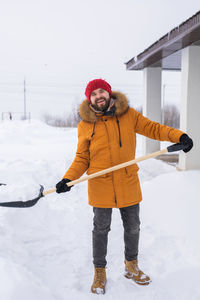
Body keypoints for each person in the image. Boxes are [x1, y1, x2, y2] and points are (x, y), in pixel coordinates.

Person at [56, 79, 193, 294]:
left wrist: (179, 136)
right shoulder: (85, 125)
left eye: (102, 91)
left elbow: (153, 129)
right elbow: (82, 158)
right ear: (89, 99)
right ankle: (99, 271)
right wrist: (68, 179)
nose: (98, 96)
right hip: (100, 185)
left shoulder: (129, 115)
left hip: (127, 182)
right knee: (100, 230)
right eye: (93, 94)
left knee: (133, 227)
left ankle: (131, 265)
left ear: (109, 93)